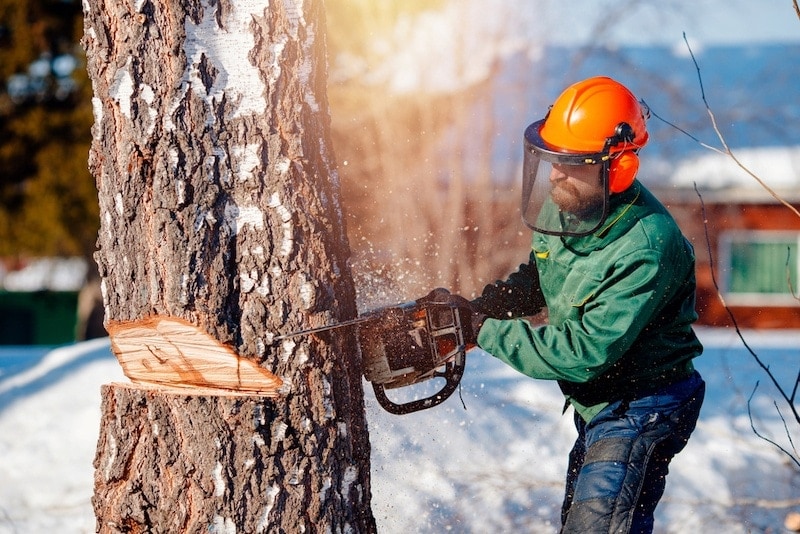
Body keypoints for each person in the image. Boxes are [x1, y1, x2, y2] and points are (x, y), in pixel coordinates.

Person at [423, 76, 705, 533]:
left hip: (644, 402)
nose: (554, 174)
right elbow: (541, 277)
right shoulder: (574, 201)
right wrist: (481, 309)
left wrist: (483, 332)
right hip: (602, 400)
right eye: (550, 158)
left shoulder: (647, 247)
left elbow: (583, 352)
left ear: (617, 169)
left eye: (569, 163)